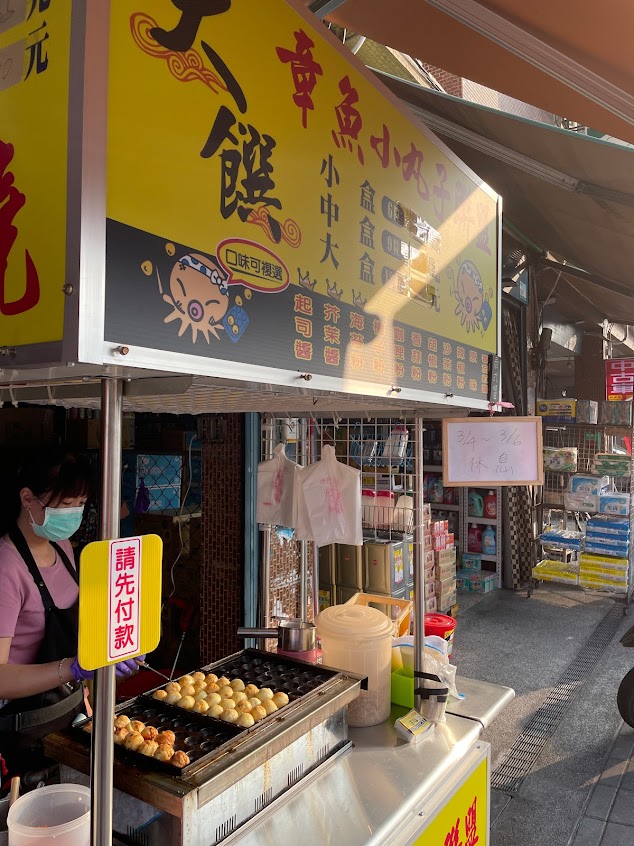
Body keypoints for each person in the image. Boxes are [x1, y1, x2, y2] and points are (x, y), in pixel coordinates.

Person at [0, 449, 141, 778]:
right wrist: (74, 668)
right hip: (24, 727)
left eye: (81, 504)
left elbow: (75, 628)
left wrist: (115, 647)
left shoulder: (62, 548)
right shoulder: (7, 568)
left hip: (69, 710)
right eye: (65, 506)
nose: (74, 514)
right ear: (28, 498)